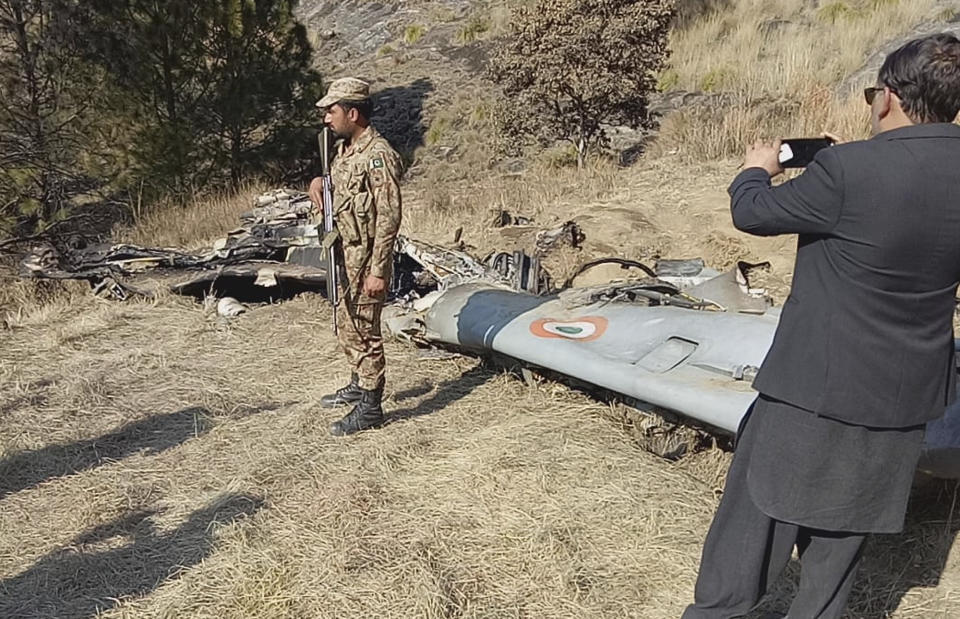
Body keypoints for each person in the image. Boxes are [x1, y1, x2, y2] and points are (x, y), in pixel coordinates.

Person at [684, 33, 960, 619]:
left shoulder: (846, 169)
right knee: (838, 554)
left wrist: (755, 170)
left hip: (809, 393)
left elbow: (752, 214)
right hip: (903, 399)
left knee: (745, 545)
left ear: (886, 98)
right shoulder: (858, 168)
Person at [308, 77, 403, 437]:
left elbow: (389, 216)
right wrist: (320, 183)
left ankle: (371, 405)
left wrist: (378, 271)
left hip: (366, 264)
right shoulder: (347, 151)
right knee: (347, 325)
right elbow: (343, 193)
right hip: (344, 258)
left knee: (366, 332)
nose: (326, 119)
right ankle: (357, 381)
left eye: (331, 111)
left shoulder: (378, 156)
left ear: (352, 112)